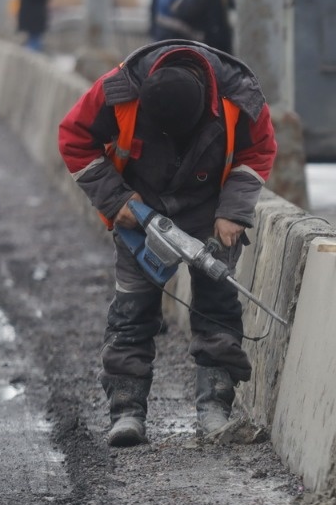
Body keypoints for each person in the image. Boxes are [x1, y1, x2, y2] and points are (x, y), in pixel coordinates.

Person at [57, 39, 277, 447]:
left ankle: (215, 408)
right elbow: (74, 137)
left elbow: (259, 148)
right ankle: (126, 411)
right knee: (133, 308)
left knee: (217, 305)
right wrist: (115, 199)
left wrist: (233, 210)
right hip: (141, 205)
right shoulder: (118, 90)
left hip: (211, 206)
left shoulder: (239, 96)